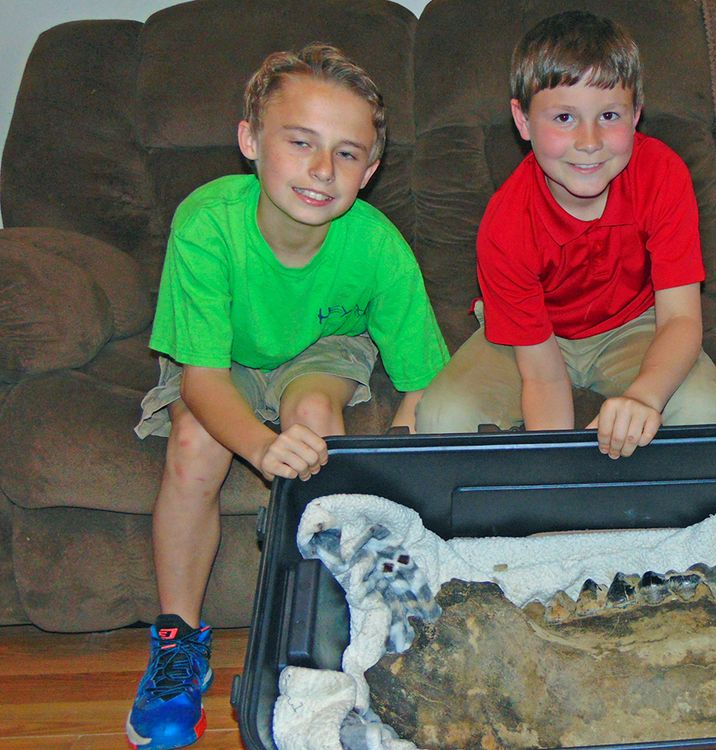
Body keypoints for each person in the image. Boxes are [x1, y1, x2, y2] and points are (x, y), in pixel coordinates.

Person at [126, 43, 448, 749]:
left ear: (370, 170)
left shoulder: (378, 246)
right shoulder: (206, 222)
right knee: (194, 443)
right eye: (300, 142)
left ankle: (328, 631)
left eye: (345, 153)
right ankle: (177, 641)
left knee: (317, 420)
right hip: (222, 355)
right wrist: (262, 448)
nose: (320, 170)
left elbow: (424, 379)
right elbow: (203, 380)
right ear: (250, 140)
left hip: (322, 354)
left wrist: (403, 455)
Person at [415, 10, 716, 458]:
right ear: (523, 122)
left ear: (636, 115)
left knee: (702, 407)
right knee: (444, 416)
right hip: (532, 336)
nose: (588, 141)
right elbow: (543, 377)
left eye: (608, 115)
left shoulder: (663, 174)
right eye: (563, 118)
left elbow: (681, 319)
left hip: (635, 323)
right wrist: (559, 479)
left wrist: (644, 396)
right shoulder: (506, 224)